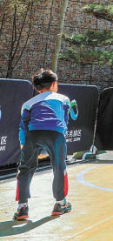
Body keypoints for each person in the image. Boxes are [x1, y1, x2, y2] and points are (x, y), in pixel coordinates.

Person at [14, 69, 72, 221]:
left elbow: (23, 126)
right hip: (56, 135)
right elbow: (64, 121)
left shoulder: (28, 103)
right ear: (54, 84)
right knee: (59, 167)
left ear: (36, 87)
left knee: (25, 169)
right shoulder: (64, 99)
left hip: (33, 134)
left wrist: (23, 144)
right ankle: (60, 204)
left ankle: (22, 208)